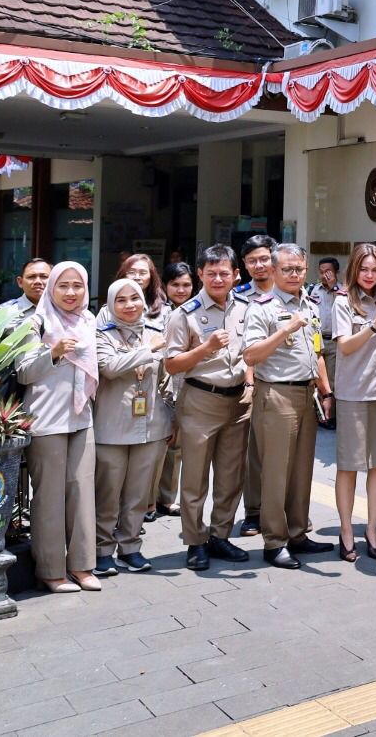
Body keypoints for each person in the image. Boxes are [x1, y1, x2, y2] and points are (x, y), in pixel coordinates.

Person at [242, 243, 336, 569]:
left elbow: (317, 351)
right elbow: (251, 355)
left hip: (305, 395)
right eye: (287, 269)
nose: (294, 274)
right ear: (274, 271)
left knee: (301, 470)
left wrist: (326, 392)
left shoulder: (309, 304)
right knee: (276, 471)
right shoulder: (262, 307)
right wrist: (284, 330)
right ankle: (274, 541)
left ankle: (298, 532)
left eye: (299, 269)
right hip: (276, 394)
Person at [164, 245, 253, 572]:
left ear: (235, 275)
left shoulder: (245, 307)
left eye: (224, 273)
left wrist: (251, 382)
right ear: (199, 274)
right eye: (211, 272)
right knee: (195, 477)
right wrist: (206, 347)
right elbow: (172, 364)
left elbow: (250, 350)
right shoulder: (183, 314)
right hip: (201, 399)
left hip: (238, 400)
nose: (218, 278)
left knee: (231, 475)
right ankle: (195, 541)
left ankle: (220, 535)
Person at [16, 261, 100, 593]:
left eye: (77, 285)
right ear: (51, 287)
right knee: (49, 497)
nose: (70, 292)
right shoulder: (35, 321)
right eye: (62, 285)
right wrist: (52, 352)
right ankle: (51, 570)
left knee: (82, 491)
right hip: (46, 418)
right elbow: (23, 372)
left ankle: (81, 565)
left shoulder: (89, 319)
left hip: (81, 416)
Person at [93, 278, 173, 576]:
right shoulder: (101, 334)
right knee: (108, 492)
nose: (129, 306)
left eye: (135, 299)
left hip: (150, 424)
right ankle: (102, 549)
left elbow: (167, 378)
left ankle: (130, 546)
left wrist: (171, 415)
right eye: (121, 300)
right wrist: (149, 351)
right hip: (111, 426)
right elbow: (110, 368)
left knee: (139, 493)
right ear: (111, 305)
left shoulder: (156, 331)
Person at [332, 244, 376, 562]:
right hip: (354, 393)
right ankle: (346, 531)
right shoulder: (343, 301)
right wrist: (374, 327)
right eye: (364, 269)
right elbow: (344, 347)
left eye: (375, 269)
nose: (369, 275)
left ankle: (372, 529)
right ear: (354, 270)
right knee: (349, 466)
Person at [145, 262, 193, 522]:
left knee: (177, 446)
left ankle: (167, 498)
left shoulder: (196, 312)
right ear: (165, 286)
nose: (181, 289)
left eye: (186, 284)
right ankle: (147, 501)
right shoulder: (153, 314)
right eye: (175, 284)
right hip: (159, 386)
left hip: (186, 385)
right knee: (157, 446)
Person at [237, 234, 276, 538]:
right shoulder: (237, 297)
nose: (259, 265)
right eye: (252, 260)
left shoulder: (292, 293)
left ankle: (285, 510)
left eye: (264, 258)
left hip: (287, 383)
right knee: (255, 452)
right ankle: (253, 512)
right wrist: (249, 379)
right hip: (251, 382)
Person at [316, 255, 344, 399]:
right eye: (321, 271)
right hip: (317, 338)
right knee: (315, 376)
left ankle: (331, 414)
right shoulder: (312, 290)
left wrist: (334, 286)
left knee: (332, 378)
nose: (324, 275)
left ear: (336, 272)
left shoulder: (344, 291)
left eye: (328, 271)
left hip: (334, 340)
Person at [1, 258, 51, 324]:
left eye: (44, 276)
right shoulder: (4, 312)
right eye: (31, 277)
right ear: (20, 282)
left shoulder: (63, 310)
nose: (38, 281)